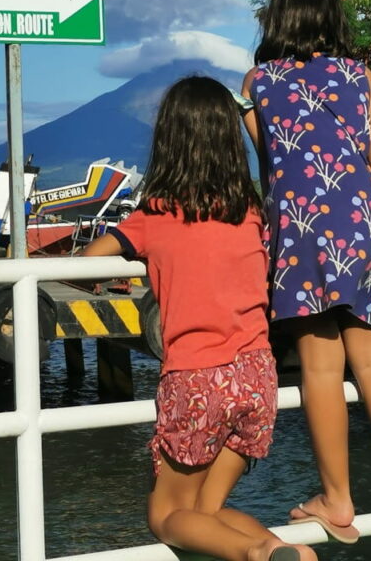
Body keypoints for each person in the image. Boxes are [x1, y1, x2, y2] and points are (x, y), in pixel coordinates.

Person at [81, 76, 316, 561]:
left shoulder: (155, 215)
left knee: (166, 517)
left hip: (197, 380)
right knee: (205, 513)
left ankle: (260, 554)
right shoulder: (249, 212)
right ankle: (280, 549)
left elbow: (86, 265)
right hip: (257, 376)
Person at [242, 0, 371, 544]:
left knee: (321, 369)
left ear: (277, 20)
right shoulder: (358, 75)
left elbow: (271, 164)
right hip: (361, 224)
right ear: (331, 18)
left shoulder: (257, 82)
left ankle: (336, 498)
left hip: (300, 228)